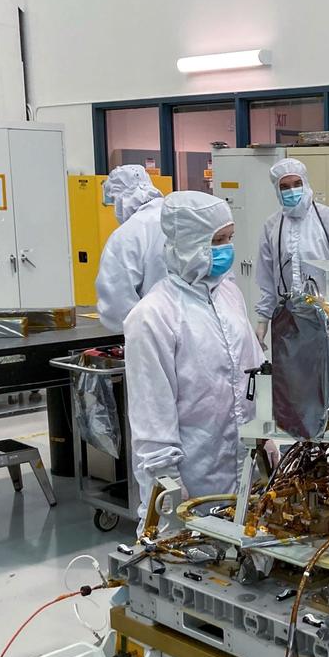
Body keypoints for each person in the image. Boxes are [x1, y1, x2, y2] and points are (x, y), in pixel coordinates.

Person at [126, 191, 263, 505]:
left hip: (244, 466)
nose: (227, 249)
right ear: (189, 243)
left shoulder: (229, 295)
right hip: (193, 476)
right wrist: (169, 485)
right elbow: (153, 417)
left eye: (230, 238)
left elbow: (255, 373)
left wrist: (267, 433)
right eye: (218, 241)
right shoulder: (153, 316)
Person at [254, 158, 329, 345]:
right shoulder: (272, 226)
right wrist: (263, 319)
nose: (291, 190)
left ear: (306, 183)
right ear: (277, 191)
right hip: (288, 320)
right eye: (285, 186)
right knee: (292, 371)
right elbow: (267, 278)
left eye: (297, 184)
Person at [96, 165, 165, 332]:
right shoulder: (181, 217)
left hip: (152, 333)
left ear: (120, 198)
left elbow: (116, 303)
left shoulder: (128, 234)